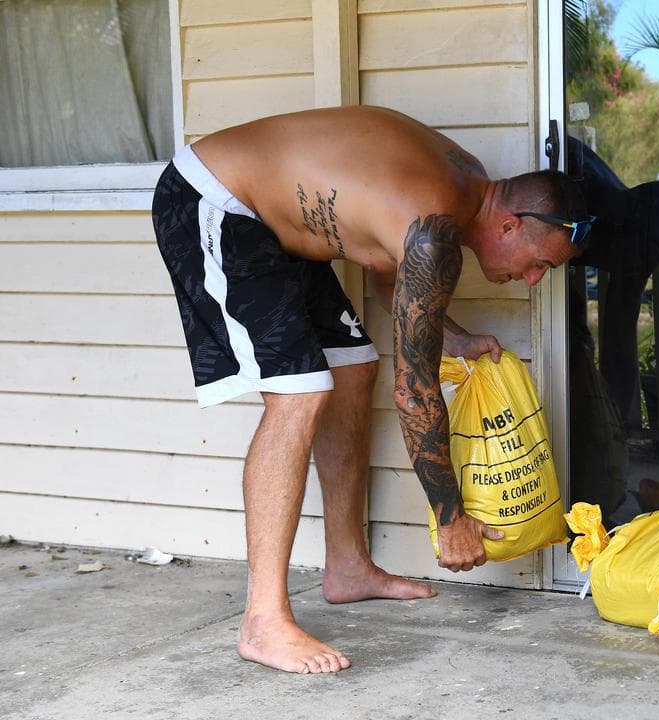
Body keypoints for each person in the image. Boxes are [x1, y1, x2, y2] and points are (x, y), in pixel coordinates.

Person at [150, 106, 591, 675]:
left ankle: (348, 568)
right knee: (299, 394)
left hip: (275, 229)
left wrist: (452, 337)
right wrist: (449, 514)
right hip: (216, 200)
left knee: (354, 369)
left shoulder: (463, 188)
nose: (533, 279)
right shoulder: (437, 225)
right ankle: (262, 621)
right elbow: (415, 387)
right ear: (508, 226)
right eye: (539, 264)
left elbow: (392, 268)